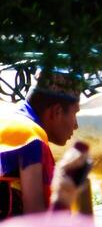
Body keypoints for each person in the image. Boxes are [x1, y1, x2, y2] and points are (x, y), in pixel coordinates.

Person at [0, 72, 81, 219]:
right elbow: (36, 218)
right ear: (57, 112)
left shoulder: (8, 119)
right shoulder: (31, 138)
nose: (76, 125)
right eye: (75, 113)